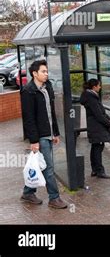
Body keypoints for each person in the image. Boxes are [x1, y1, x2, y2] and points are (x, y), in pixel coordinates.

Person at [20, 60, 68, 209]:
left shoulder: (48, 87)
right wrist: (34, 141)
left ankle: (28, 192)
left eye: (47, 71)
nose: (46, 74)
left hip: (49, 133)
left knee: (41, 165)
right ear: (35, 74)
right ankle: (54, 198)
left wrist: (56, 133)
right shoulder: (28, 91)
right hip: (39, 136)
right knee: (48, 167)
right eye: (43, 71)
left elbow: (51, 113)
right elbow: (28, 118)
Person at [79, 79, 110, 179]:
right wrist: (108, 124)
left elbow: (100, 111)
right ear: (94, 87)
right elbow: (98, 114)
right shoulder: (91, 97)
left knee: (95, 148)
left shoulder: (90, 96)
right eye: (99, 85)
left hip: (94, 125)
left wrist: (109, 118)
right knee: (98, 148)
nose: (100, 87)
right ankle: (99, 171)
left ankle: (95, 170)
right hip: (97, 126)